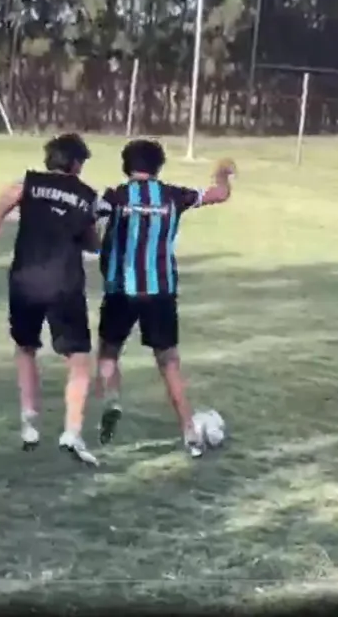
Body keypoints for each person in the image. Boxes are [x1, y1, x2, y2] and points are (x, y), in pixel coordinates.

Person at [0, 133, 103, 466]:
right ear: (76, 163)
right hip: (64, 283)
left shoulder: (26, 184)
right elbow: (93, 244)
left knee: (25, 348)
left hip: (25, 279)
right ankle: (72, 431)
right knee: (79, 359)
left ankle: (29, 423)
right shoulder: (87, 197)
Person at [92, 139, 234, 458]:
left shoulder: (114, 197)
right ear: (158, 167)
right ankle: (190, 433)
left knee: (109, 351)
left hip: (120, 289)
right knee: (168, 362)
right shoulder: (174, 195)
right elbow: (219, 194)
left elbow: (89, 221)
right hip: (160, 291)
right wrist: (223, 174)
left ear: (126, 166)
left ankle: (112, 401)